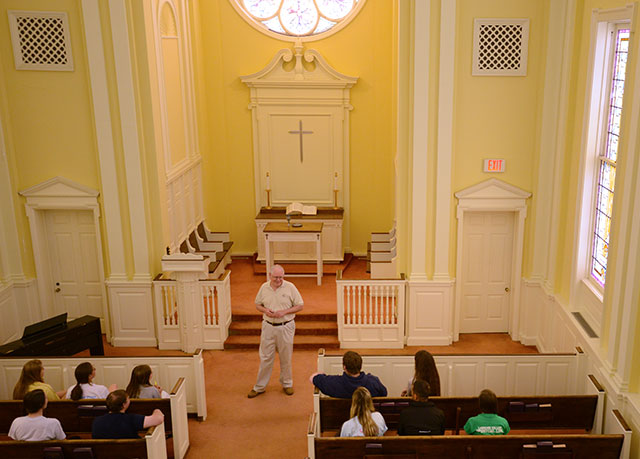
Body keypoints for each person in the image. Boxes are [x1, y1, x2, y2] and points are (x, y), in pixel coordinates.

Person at [248, 265, 303, 398]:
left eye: (281, 277)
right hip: (268, 326)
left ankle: (287, 384)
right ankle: (260, 386)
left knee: (286, 356)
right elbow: (258, 304)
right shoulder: (264, 287)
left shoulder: (290, 287)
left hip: (286, 326)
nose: (278, 280)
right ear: (269, 275)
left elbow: (300, 305)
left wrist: (284, 312)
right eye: (276, 277)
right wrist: (265, 310)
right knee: (265, 357)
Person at [310, 351, 387, 398]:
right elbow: (384, 394)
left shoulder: (334, 383)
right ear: (360, 366)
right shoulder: (373, 382)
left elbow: (313, 378)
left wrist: (322, 375)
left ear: (344, 367)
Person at [92, 389, 164, 439]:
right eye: (128, 399)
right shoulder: (131, 419)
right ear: (124, 405)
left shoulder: (97, 421)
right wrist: (156, 410)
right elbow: (159, 419)